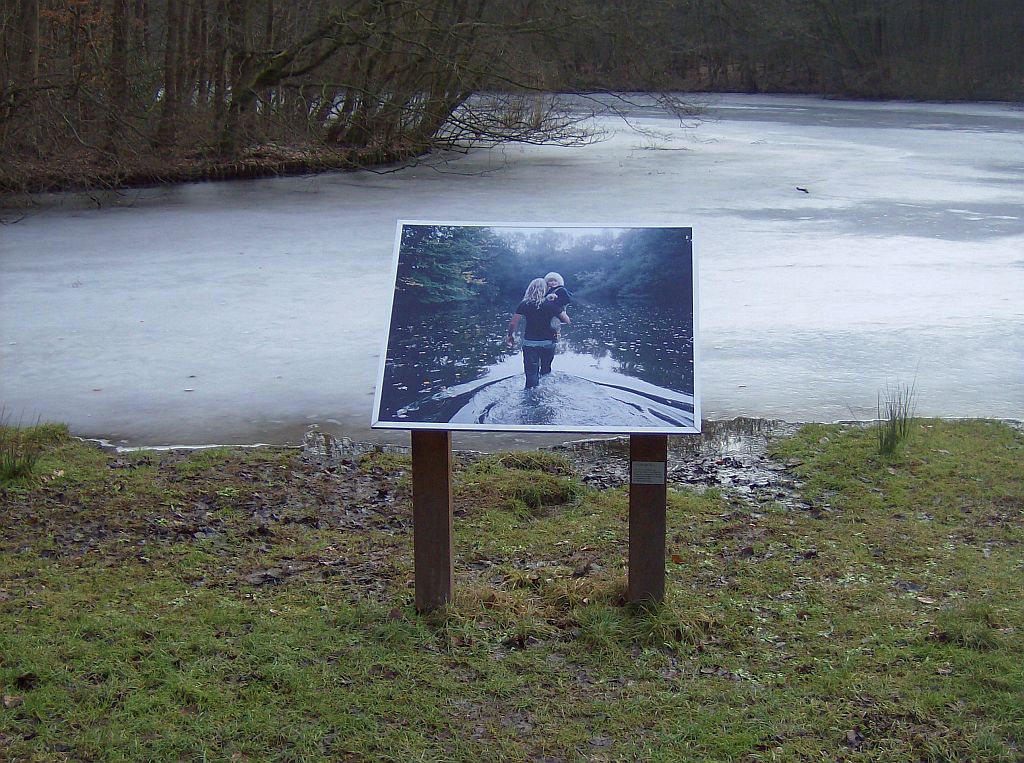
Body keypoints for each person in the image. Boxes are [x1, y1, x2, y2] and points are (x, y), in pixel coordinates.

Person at [506, 277, 569, 389]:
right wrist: (557, 306)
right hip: (548, 342)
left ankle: (531, 396)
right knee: (545, 370)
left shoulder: (524, 304)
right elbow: (566, 320)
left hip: (530, 343)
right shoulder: (551, 305)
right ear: (545, 289)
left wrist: (510, 336)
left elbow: (513, 323)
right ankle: (545, 391)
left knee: (531, 375)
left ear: (530, 289)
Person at [543, 272, 572, 336]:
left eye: (555, 281)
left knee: (555, 327)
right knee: (549, 326)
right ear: (547, 282)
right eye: (550, 281)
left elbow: (568, 300)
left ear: (559, 281)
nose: (553, 283)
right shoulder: (549, 290)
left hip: (557, 312)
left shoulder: (561, 289)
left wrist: (555, 301)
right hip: (550, 312)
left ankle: (556, 340)